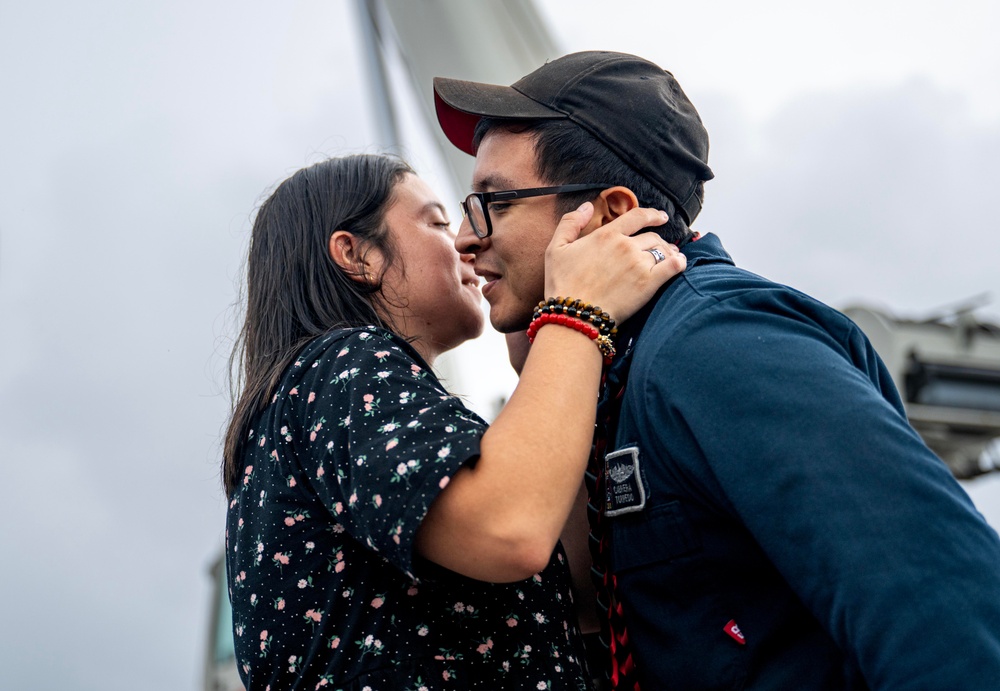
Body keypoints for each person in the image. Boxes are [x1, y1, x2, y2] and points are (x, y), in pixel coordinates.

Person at [433, 51, 1000, 690]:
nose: (462, 238)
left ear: (612, 215)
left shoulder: (714, 345)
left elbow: (941, 605)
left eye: (494, 204)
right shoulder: (616, 371)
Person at [222, 153, 685, 690]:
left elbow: (581, 600)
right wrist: (575, 315)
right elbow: (511, 528)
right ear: (358, 255)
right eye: (439, 222)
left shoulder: (325, 402)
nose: (465, 241)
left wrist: (546, 363)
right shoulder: (340, 369)